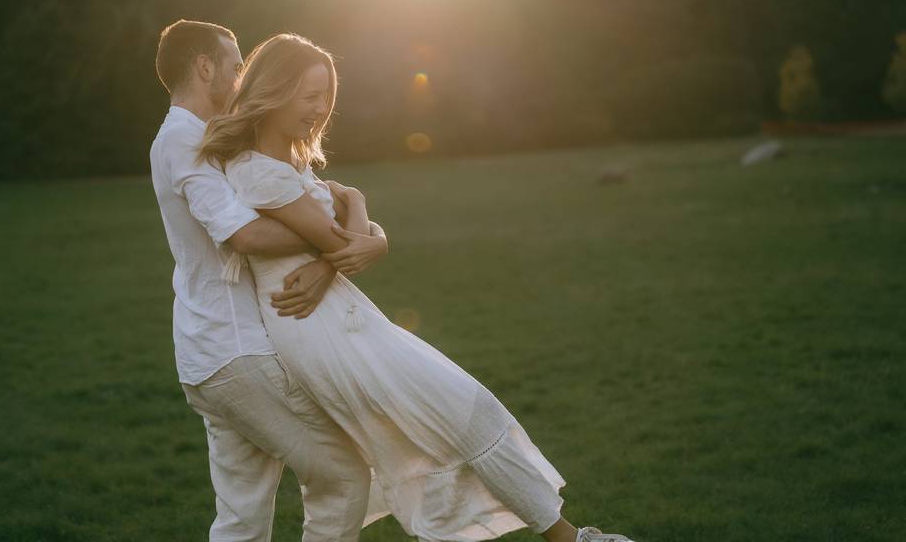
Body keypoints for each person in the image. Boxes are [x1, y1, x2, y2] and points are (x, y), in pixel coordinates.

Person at [197, 32, 637, 542]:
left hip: (338, 314)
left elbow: (343, 252)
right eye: (309, 96)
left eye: (325, 98)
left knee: (461, 416)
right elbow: (344, 245)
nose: (319, 110)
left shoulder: (288, 168)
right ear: (273, 90)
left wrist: (354, 250)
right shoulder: (257, 171)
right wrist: (359, 207)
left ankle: (567, 536)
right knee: (454, 415)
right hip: (314, 327)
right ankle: (569, 538)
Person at [149, 19, 393, 542]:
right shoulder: (183, 142)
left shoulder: (215, 139)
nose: (241, 78)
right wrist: (338, 242)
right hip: (235, 352)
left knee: (241, 520)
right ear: (204, 67)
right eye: (236, 66)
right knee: (346, 476)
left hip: (213, 352)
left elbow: (315, 204)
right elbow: (250, 237)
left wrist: (342, 242)